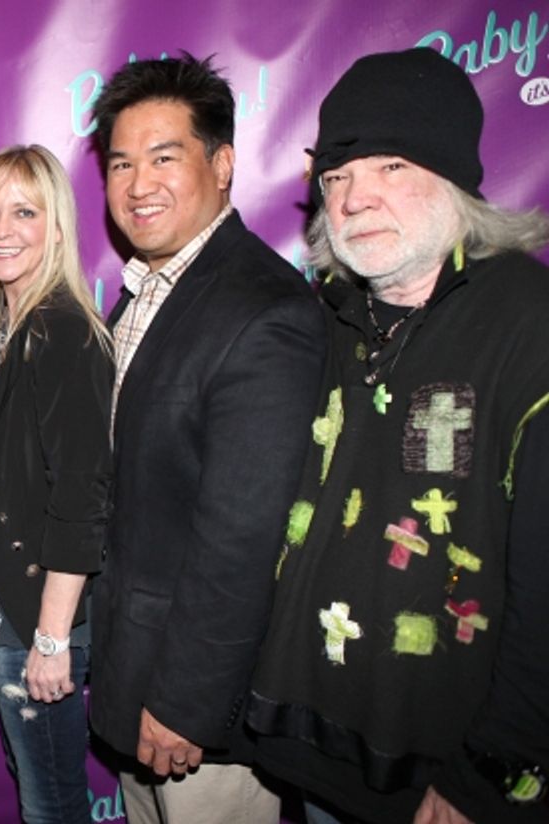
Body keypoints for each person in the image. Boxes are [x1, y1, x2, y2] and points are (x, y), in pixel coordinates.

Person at [247, 47, 549, 824]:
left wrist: (487, 769)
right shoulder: (327, 321)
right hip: (318, 752)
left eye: (388, 166)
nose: (353, 198)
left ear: (451, 179)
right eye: (336, 177)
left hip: (451, 775)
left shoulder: (530, 322)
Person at [85, 54, 326, 824]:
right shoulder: (147, 291)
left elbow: (243, 537)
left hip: (199, 718)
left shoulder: (263, 310)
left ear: (222, 165)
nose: (137, 184)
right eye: (121, 164)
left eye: (165, 158)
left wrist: (187, 703)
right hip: (135, 675)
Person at [0, 144, 113, 824]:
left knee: (52, 806)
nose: (2, 229)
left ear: (56, 226)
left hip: (42, 620)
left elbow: (81, 494)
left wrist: (51, 639)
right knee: (38, 793)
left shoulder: (61, 330)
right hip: (10, 614)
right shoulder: (5, 331)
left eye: (25, 211)